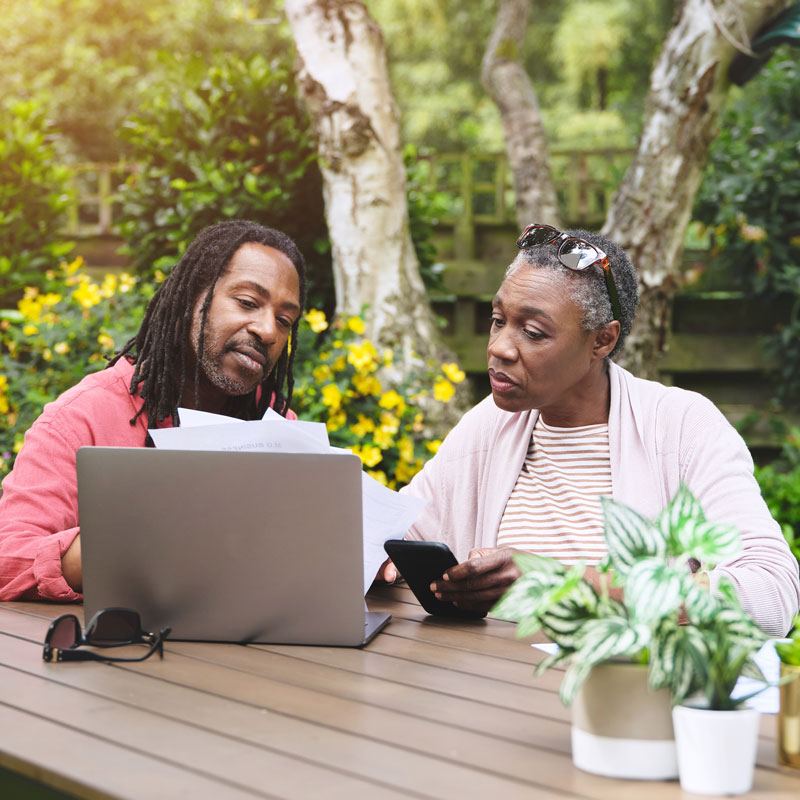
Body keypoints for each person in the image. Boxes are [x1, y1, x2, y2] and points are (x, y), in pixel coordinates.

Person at [384, 224, 800, 637]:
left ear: (602, 341)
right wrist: (377, 560)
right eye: (497, 320)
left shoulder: (681, 427)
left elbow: (771, 595)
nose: (499, 347)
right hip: (486, 687)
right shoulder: (489, 425)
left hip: (625, 694)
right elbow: (400, 534)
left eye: (532, 332)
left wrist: (558, 582)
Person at [0, 219, 306, 602]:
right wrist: (135, 539)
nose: (268, 331)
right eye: (247, 303)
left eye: (284, 320)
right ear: (189, 299)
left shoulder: (275, 425)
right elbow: (8, 558)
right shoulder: (81, 417)